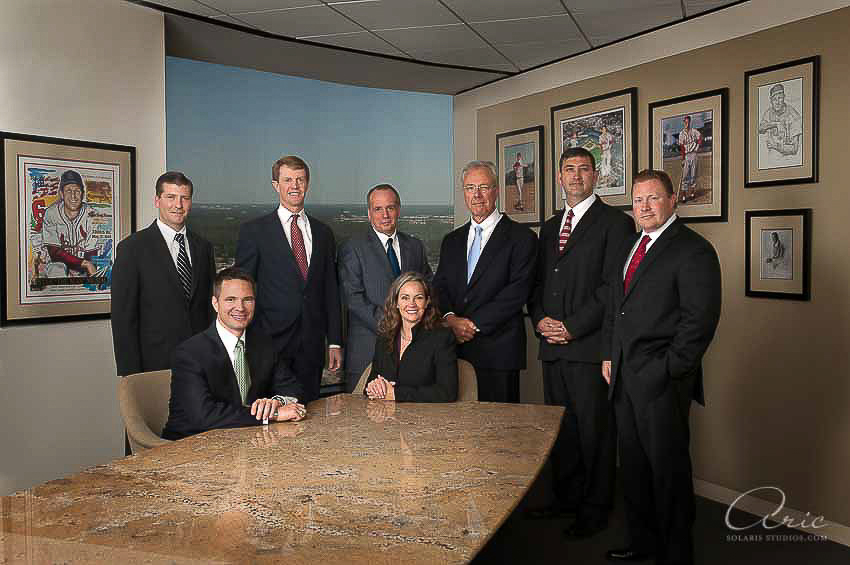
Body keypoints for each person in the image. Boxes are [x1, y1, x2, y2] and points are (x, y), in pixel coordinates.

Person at [602, 169, 721, 565]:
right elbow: (617, 310)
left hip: (661, 382)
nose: (645, 206)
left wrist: (664, 371)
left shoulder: (694, 250)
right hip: (623, 378)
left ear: (673, 201)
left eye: (653, 198)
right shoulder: (633, 246)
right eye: (638, 200)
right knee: (634, 469)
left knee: (667, 472)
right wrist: (610, 356)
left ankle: (675, 553)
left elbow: (698, 324)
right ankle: (643, 542)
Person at [528, 148, 634, 538]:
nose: (576, 176)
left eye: (584, 170)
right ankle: (565, 499)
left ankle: (595, 509)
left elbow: (612, 289)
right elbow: (538, 282)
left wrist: (572, 326)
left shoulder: (615, 224)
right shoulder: (550, 225)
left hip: (588, 349)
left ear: (596, 176)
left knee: (595, 433)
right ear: (559, 177)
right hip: (551, 348)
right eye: (569, 170)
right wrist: (539, 319)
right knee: (562, 431)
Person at [235, 156, 342, 403]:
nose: (295, 186)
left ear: (307, 183)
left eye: (300, 179)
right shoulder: (254, 231)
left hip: (311, 344)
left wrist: (335, 341)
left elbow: (330, 290)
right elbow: (243, 288)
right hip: (268, 343)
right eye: (287, 180)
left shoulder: (324, 233)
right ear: (276, 185)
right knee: (268, 417)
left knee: (310, 414)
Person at [433, 161, 536, 403]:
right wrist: (450, 319)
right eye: (470, 188)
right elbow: (440, 287)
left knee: (498, 433)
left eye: (483, 187)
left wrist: (470, 325)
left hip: (498, 352)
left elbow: (517, 293)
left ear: (497, 190)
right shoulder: (452, 240)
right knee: (458, 431)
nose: (476, 195)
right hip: (454, 350)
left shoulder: (522, 238)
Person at [162, 268, 306, 441]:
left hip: (248, 441)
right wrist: (271, 415)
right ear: (215, 303)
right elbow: (204, 416)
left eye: (248, 300)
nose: (240, 307)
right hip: (190, 446)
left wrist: (278, 402)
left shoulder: (264, 344)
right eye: (231, 299)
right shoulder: (189, 354)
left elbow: (293, 387)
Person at [111, 171, 215, 376]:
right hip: (154, 365)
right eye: (171, 197)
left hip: (201, 362)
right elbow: (123, 319)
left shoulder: (203, 248)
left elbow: (209, 307)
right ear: (157, 200)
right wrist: (131, 376)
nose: (178, 205)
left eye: (184, 198)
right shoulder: (132, 249)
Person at [338, 184, 433, 392]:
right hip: (367, 350)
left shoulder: (414, 246)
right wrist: (395, 325)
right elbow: (354, 299)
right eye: (378, 209)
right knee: (364, 419)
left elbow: (428, 290)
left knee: (407, 415)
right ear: (369, 213)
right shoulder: (353, 248)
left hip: (412, 351)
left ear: (398, 209)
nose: (385, 215)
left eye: (390, 208)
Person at [365, 272, 457, 402]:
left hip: (426, 419)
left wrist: (396, 394)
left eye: (418, 297)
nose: (411, 304)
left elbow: (447, 392)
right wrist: (373, 387)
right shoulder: (385, 336)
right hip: (385, 417)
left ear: (427, 302)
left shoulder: (442, 337)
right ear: (396, 302)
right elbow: (371, 381)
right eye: (405, 298)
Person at [38, 170, 98, 277]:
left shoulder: (92, 214)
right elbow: (55, 253)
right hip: (57, 265)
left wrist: (86, 266)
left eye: (77, 191)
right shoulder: (51, 213)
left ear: (83, 194)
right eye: (68, 191)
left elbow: (92, 253)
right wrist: (84, 263)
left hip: (83, 268)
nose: (73, 196)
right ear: (61, 194)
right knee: (57, 269)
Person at [758, 83, 803, 164]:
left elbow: (794, 149)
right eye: (774, 99)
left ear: (784, 98)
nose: (777, 102)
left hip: (790, 161)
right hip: (770, 161)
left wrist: (774, 145)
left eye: (780, 98)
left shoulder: (793, 115)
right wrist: (776, 124)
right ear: (771, 101)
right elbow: (760, 129)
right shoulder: (769, 113)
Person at [678, 116, 702, 202]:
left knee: (693, 175)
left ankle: (692, 193)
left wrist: (697, 147)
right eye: (685, 122)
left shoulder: (694, 131)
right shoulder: (681, 134)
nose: (686, 124)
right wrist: (683, 158)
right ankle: (684, 196)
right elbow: (682, 147)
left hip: (694, 154)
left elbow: (700, 138)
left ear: (690, 122)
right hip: (687, 155)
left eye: (688, 122)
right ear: (683, 122)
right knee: (685, 176)